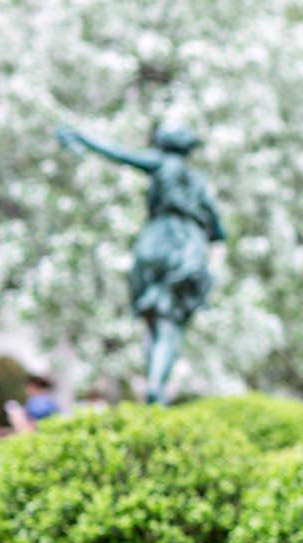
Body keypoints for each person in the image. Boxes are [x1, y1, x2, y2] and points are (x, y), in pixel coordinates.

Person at [56, 124, 225, 405]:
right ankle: (156, 387)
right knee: (169, 325)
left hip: (155, 239)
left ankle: (153, 384)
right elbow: (218, 230)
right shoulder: (196, 180)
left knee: (152, 320)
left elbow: (118, 154)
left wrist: (82, 138)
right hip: (185, 245)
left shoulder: (160, 163)